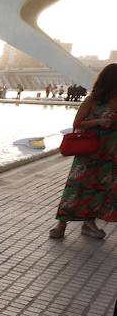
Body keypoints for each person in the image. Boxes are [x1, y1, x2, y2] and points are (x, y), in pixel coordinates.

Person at [48, 63, 116, 240]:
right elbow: (77, 123)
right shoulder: (93, 100)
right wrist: (98, 122)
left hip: (110, 155)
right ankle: (61, 225)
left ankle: (89, 224)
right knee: (76, 188)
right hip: (89, 152)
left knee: (100, 190)